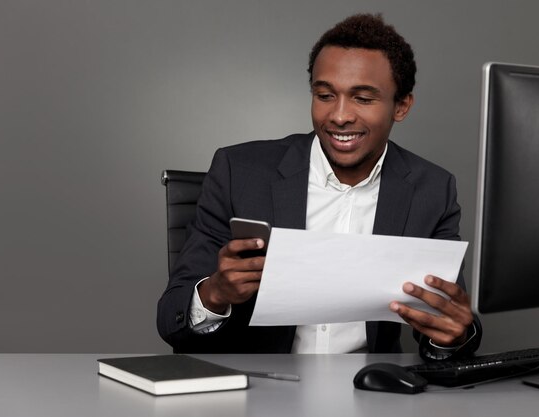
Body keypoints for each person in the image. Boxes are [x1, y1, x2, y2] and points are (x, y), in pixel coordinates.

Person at [157, 13, 481, 359]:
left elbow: (444, 322)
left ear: (401, 106)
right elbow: (170, 318)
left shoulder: (432, 190)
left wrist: (453, 334)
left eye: (363, 98)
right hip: (258, 393)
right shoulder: (239, 172)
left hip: (370, 393)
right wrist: (215, 294)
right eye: (325, 95)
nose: (339, 116)